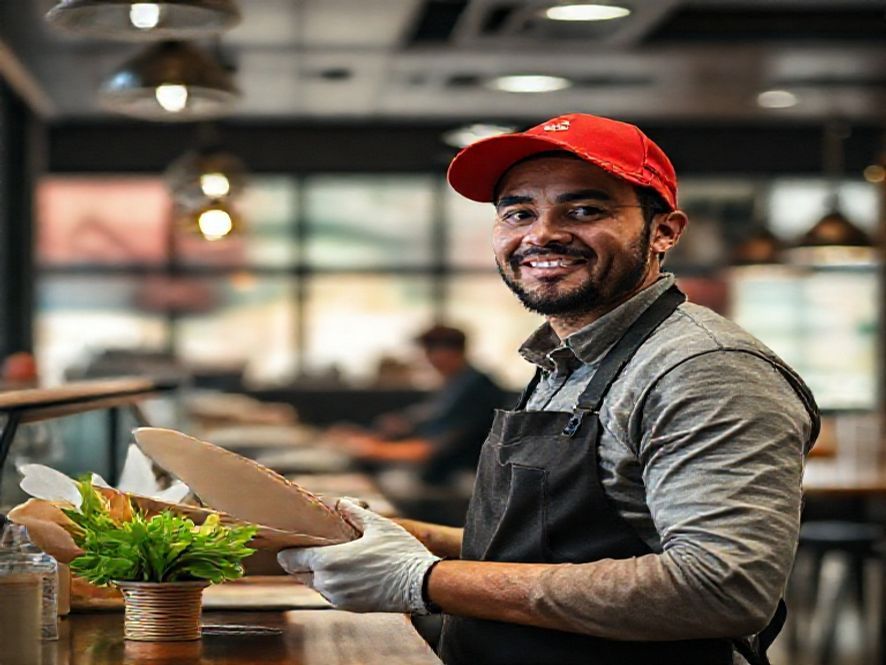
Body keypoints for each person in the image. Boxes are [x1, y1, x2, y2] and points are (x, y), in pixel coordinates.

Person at [278, 113, 820, 665]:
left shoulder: (705, 368)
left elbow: (721, 589)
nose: (541, 234)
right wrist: (394, 534)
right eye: (518, 212)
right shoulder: (569, 359)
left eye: (584, 210)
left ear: (664, 231)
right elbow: (563, 550)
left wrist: (427, 580)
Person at [334, 325, 507, 488]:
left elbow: (430, 450)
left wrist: (370, 449)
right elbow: (424, 422)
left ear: (447, 352)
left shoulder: (475, 388)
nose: (427, 359)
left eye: (429, 351)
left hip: (459, 478)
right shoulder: (458, 382)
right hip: (441, 472)